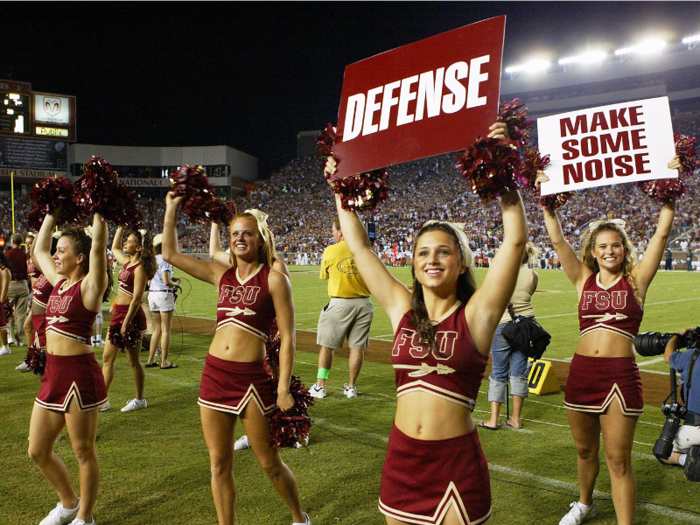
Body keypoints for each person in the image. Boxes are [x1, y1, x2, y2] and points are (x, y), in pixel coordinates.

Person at [326, 121, 527, 525]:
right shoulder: (402, 309)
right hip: (402, 461)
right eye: (423, 253)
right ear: (414, 264)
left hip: (456, 467)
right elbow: (360, 247)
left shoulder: (477, 315)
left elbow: (515, 242)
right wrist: (339, 187)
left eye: (443, 252)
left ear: (462, 261)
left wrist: (503, 170)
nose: (432, 260)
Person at [538, 158, 679, 525]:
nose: (610, 251)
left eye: (615, 245)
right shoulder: (582, 279)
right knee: (585, 451)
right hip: (583, 371)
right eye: (602, 246)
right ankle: (585, 504)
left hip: (619, 375)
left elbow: (661, 237)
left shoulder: (636, 280)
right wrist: (546, 201)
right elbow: (557, 239)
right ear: (594, 251)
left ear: (623, 248)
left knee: (618, 459)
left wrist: (670, 193)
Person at [163, 195, 311, 525]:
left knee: (269, 463)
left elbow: (288, 337)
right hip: (215, 376)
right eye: (235, 234)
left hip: (251, 381)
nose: (240, 239)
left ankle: (299, 518)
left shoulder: (274, 278)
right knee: (218, 463)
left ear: (261, 240)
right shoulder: (221, 275)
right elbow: (170, 254)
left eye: (247, 233)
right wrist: (172, 208)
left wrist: (283, 387)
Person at [29, 210, 109, 525]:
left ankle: (85, 518)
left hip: (78, 375)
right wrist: (52, 211)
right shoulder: (58, 283)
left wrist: (101, 212)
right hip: (53, 375)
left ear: (80, 258)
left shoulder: (90, 286)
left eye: (62, 250)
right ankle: (69, 503)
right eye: (57, 249)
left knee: (83, 451)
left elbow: (100, 246)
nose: (56, 255)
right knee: (38, 450)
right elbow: (37, 250)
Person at [309, 217, 373, 399]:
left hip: (340, 303)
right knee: (357, 348)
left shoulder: (331, 250)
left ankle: (320, 385)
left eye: (334, 231)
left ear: (342, 232)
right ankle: (351, 387)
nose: (333, 234)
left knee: (327, 347)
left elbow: (325, 275)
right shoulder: (364, 249)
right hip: (364, 304)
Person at [481, 242, 540, 430]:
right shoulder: (533, 275)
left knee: (498, 371)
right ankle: (515, 419)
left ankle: (494, 419)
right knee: (519, 372)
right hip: (527, 325)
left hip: (505, 324)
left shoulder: (501, 273)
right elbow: (528, 293)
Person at [100, 226, 157, 413]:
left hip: (131, 316)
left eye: (130, 241)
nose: (126, 243)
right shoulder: (127, 263)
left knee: (134, 361)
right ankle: (103, 400)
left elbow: (136, 298)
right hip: (119, 315)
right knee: (107, 358)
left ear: (140, 248)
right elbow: (115, 247)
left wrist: (125, 323)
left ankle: (140, 399)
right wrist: (121, 227)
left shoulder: (140, 269)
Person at [661, 328, 700, 468]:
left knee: (663, 452)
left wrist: (677, 336)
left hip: (693, 431)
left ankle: (685, 460)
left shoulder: (690, 356)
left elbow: (668, 356)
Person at [145, 233, 181, 369]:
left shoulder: (152, 260)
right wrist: (176, 284)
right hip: (163, 295)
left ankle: (151, 359)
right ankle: (165, 361)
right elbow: (166, 281)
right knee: (166, 330)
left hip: (152, 294)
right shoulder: (165, 259)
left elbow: (150, 280)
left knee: (157, 329)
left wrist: (173, 280)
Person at [5, 232, 29, 346]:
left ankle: (10, 337)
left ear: (12, 242)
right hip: (23, 284)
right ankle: (20, 340)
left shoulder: (6, 255)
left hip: (10, 284)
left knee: (8, 312)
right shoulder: (25, 255)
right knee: (21, 314)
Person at [0, 247, 12, 355]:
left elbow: (5, 287)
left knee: (2, 325)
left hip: (1, 299)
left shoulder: (5, 271)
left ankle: (6, 346)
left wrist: (1, 300)